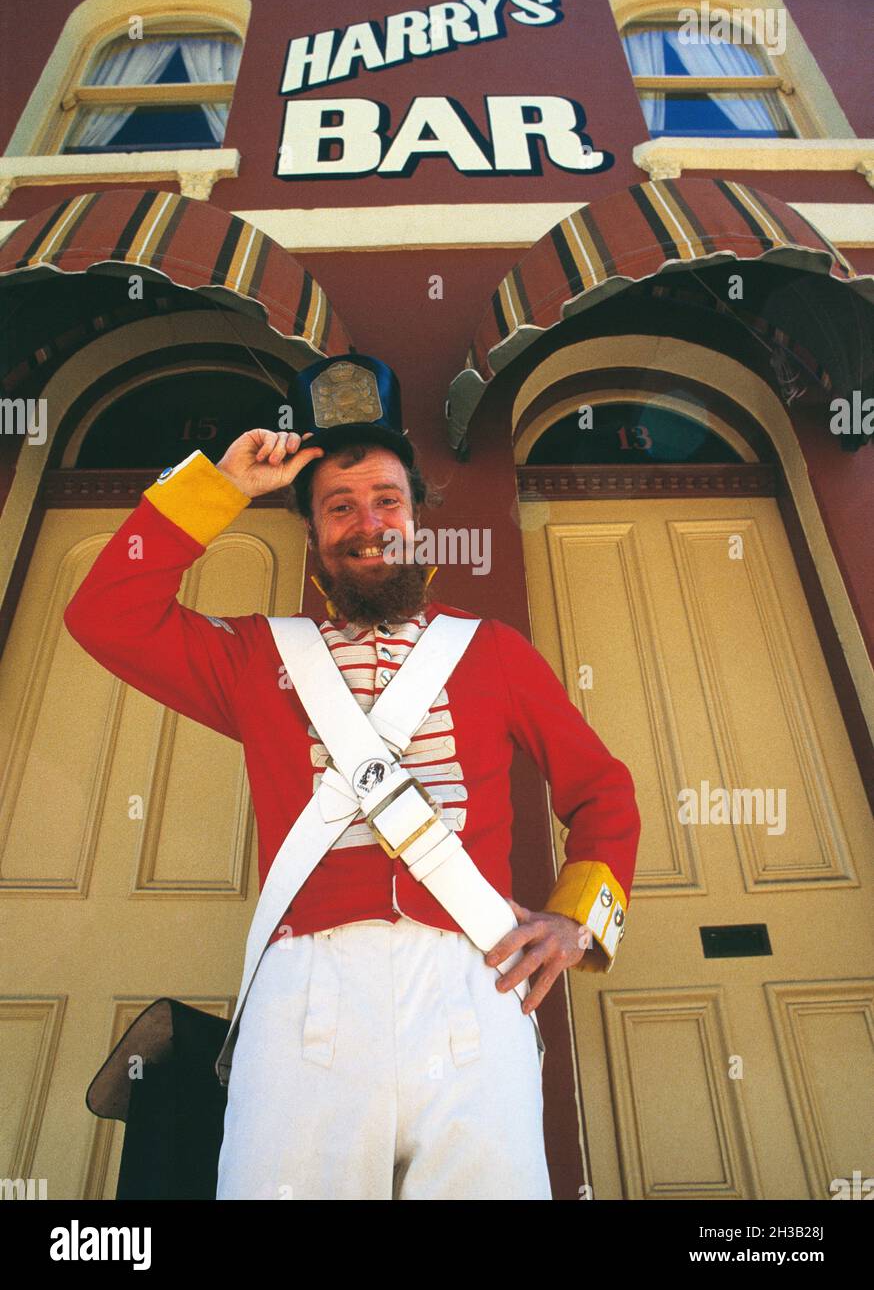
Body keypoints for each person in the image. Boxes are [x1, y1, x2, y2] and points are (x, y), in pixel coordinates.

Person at [63, 352, 641, 1200]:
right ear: (312, 532)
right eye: (339, 507)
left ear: (416, 519)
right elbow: (104, 613)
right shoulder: (256, 659)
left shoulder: (494, 653)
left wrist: (574, 924)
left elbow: (603, 791)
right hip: (305, 1001)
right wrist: (220, 486)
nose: (367, 523)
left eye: (386, 501)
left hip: (473, 986)